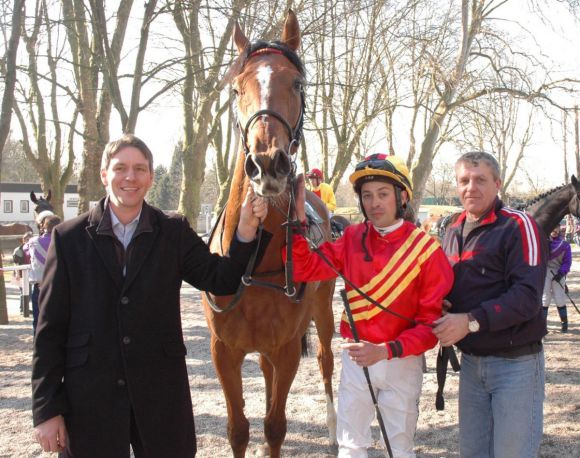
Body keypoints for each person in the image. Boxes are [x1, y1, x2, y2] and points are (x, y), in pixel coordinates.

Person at [31, 134, 269, 457]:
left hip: (161, 398)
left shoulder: (173, 232)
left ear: (150, 177)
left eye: (140, 169)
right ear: (104, 174)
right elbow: (49, 331)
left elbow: (221, 279)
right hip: (90, 402)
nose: (130, 177)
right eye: (121, 168)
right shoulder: (68, 238)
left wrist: (245, 230)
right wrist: (47, 409)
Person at [289, 154, 454, 457]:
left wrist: (385, 351)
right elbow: (306, 268)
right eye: (367, 196)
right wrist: (299, 221)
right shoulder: (352, 237)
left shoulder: (427, 250)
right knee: (350, 447)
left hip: (402, 361)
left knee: (399, 449)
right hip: (356, 358)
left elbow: (430, 327)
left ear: (402, 196)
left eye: (382, 194)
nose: (374, 203)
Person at [433, 151, 547, 458]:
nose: (471, 187)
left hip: (516, 366)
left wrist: (469, 321)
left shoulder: (519, 226)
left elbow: (527, 298)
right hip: (471, 364)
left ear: (497, 184)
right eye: (464, 180)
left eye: (480, 180)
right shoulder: (452, 230)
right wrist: (441, 305)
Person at [28, 215, 61, 335]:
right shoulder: (65, 241)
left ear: (43, 227)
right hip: (59, 286)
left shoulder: (33, 242)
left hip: (39, 286)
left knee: (38, 321)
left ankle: (38, 348)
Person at [542, 226, 572, 332]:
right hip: (545, 273)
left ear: (559, 230)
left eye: (556, 229)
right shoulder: (543, 244)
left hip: (558, 273)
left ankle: (565, 324)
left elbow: (567, 262)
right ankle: (542, 325)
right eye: (552, 229)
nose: (554, 231)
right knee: (544, 299)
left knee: (560, 298)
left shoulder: (565, 245)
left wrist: (561, 273)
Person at [12, 231, 32, 313]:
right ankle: (23, 309)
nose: (28, 241)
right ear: (24, 240)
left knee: (29, 291)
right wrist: (17, 274)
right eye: (27, 239)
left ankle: (25, 308)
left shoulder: (32, 248)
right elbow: (16, 263)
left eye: (30, 239)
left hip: (29, 273)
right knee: (23, 291)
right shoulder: (18, 250)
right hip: (20, 273)